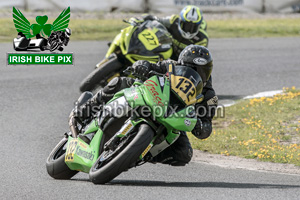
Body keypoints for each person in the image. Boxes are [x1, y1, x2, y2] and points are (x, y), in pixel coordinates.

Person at [75, 45, 218, 166]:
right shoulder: (170, 66)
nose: (194, 73)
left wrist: (200, 126)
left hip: (173, 118)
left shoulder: (209, 97)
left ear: (208, 72)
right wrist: (142, 66)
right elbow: (148, 65)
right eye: (189, 67)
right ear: (181, 63)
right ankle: (85, 111)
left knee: (184, 154)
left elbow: (207, 127)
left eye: (201, 71)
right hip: (150, 97)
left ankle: (139, 154)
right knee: (120, 82)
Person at [142, 5, 209, 60]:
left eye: (193, 27)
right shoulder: (173, 21)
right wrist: (145, 18)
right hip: (167, 57)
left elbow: (199, 59)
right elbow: (157, 20)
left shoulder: (202, 39)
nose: (189, 30)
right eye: (186, 25)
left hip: (186, 63)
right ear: (180, 21)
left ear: (199, 26)